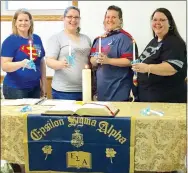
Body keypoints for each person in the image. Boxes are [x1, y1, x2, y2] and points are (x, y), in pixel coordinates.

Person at [132, 8, 187, 103]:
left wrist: (147, 68)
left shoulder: (175, 43)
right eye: (155, 19)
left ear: (170, 24)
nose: (157, 22)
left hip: (166, 101)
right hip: (147, 98)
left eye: (162, 20)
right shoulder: (154, 41)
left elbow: (171, 68)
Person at [90, 5, 138, 101]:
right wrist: (96, 59)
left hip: (119, 90)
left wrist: (108, 60)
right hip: (101, 90)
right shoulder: (100, 39)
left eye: (114, 17)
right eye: (108, 17)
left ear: (120, 20)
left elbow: (130, 61)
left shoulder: (125, 38)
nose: (110, 20)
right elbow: (92, 60)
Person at [46, 6, 91, 100]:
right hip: (63, 91)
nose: (73, 20)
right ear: (64, 18)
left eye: (76, 17)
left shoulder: (86, 39)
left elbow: (90, 60)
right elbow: (49, 61)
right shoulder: (56, 38)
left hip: (85, 89)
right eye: (69, 17)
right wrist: (60, 64)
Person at [1, 8, 46, 99]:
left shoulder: (36, 39)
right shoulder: (10, 41)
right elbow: (5, 66)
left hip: (35, 87)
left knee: (33, 113)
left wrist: (44, 84)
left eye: (26, 20)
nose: (23, 23)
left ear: (30, 22)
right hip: (15, 88)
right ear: (15, 22)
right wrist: (21, 63)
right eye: (20, 20)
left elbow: (41, 62)